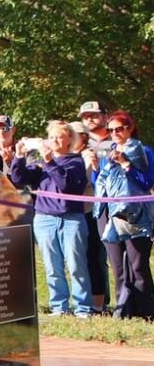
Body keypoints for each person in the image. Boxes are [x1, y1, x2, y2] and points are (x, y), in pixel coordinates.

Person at [9, 120, 95, 316]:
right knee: (52, 267)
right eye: (51, 137)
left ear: (69, 141)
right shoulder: (40, 165)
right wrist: (19, 156)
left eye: (60, 137)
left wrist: (50, 161)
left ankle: (83, 308)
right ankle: (59, 307)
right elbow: (19, 180)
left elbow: (66, 185)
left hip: (71, 219)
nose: (54, 140)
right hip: (44, 219)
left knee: (76, 265)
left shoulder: (76, 162)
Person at [90, 111, 154, 320]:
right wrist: (96, 168)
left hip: (136, 215)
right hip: (108, 214)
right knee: (117, 265)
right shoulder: (108, 152)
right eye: (110, 130)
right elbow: (98, 184)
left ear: (130, 128)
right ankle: (123, 309)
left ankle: (145, 311)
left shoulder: (143, 151)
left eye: (119, 128)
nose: (115, 133)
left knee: (138, 265)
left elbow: (146, 183)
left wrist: (126, 164)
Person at [76, 100, 114, 314]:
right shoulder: (79, 142)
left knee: (119, 258)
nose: (89, 119)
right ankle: (98, 302)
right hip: (90, 209)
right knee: (93, 256)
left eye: (94, 115)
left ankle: (133, 301)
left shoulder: (117, 139)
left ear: (105, 116)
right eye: (85, 116)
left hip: (117, 208)